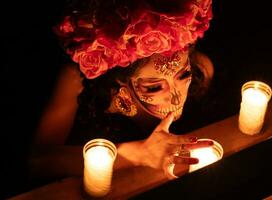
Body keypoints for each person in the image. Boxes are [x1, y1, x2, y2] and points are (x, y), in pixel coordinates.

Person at [28, 0, 215, 183]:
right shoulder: (79, 78)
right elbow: (38, 162)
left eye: (183, 76)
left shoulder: (201, 70)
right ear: (119, 77)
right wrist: (136, 154)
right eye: (154, 86)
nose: (176, 99)